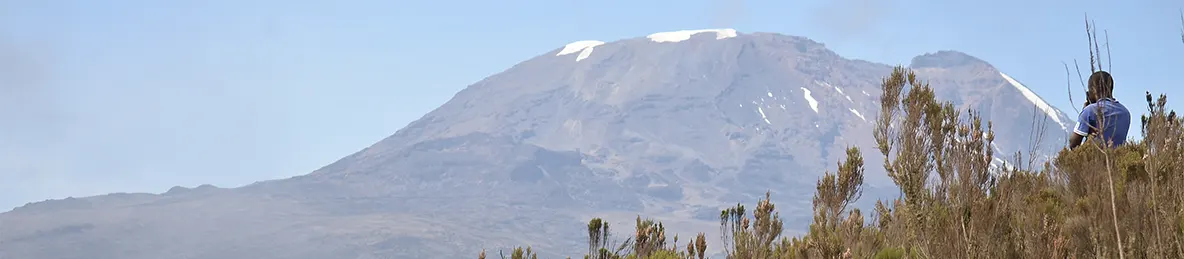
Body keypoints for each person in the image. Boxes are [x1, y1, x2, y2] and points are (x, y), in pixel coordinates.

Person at [1069, 71, 1131, 150]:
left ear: (1093, 90)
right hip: (1119, 159)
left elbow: (1073, 144)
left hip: (1096, 159)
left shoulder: (1089, 111)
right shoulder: (1125, 112)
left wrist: (1084, 112)